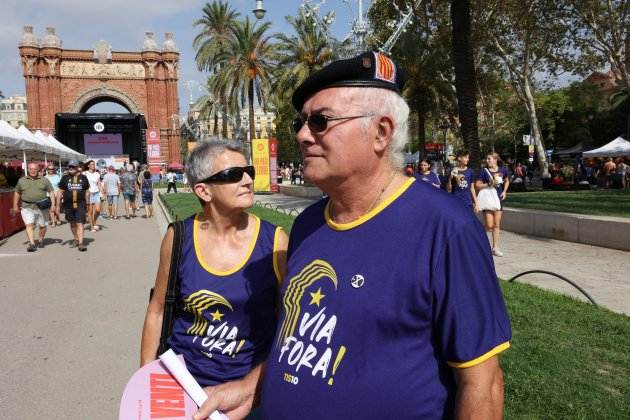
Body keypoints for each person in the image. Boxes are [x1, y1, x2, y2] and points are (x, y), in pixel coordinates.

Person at [195, 52, 511, 420]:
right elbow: (300, 343)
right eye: (302, 122)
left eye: (320, 121)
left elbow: (483, 384)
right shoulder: (308, 223)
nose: (301, 135)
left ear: (380, 132)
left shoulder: (446, 228)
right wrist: (250, 388)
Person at [141, 140, 288, 419]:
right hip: (181, 386)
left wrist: (254, 386)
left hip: (246, 393)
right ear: (203, 190)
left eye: (249, 171)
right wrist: (146, 382)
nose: (246, 180)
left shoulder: (275, 241)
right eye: (232, 175)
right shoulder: (179, 237)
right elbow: (157, 310)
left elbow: (290, 326)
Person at [11, 162, 54, 252]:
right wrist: (15, 205)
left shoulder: (44, 180)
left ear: (38, 169)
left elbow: (51, 192)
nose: (33, 171)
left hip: (42, 207)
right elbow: (17, 192)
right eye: (31, 169)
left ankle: (41, 239)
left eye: (35, 169)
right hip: (27, 206)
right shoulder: (22, 180)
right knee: (29, 224)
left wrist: (53, 205)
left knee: (42, 225)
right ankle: (32, 243)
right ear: (28, 169)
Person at [476, 153, 510, 257]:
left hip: (498, 199)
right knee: (489, 225)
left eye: (489, 159)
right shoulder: (484, 171)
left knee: (496, 224)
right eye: (487, 159)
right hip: (488, 200)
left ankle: (495, 248)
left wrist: (504, 191)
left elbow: (507, 180)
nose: (487, 160)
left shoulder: (503, 170)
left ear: (495, 160)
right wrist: (489, 184)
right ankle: (479, 240)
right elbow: (477, 185)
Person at [58, 160, 90, 251]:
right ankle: (76, 238)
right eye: (69, 167)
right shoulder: (65, 178)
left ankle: (81, 243)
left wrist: (87, 203)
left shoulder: (83, 178)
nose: (71, 168)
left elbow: (87, 191)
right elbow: (60, 191)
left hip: (80, 204)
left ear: (77, 168)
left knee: (80, 223)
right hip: (68, 205)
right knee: (72, 224)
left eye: (73, 167)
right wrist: (57, 205)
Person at [84, 160, 102, 232]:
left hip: (96, 193)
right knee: (90, 211)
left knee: (98, 210)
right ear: (88, 166)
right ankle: (92, 226)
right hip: (89, 194)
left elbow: (99, 184)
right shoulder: (85, 173)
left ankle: (94, 221)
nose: (93, 166)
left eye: (94, 164)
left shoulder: (97, 174)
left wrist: (102, 193)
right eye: (92, 164)